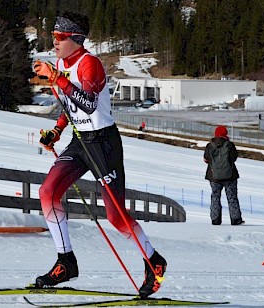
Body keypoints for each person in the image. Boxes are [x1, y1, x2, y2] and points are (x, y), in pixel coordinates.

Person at [33, 11, 166, 298]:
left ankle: (154, 261)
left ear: (76, 39)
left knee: (116, 218)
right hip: (80, 141)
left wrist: (57, 78)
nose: (53, 41)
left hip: (103, 143)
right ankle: (65, 261)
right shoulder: (60, 64)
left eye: (59, 37)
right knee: (48, 192)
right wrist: (56, 131)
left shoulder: (89, 64)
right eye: (53, 35)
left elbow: (89, 104)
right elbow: (69, 106)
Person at [203, 125, 244, 225]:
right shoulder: (229, 145)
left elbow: (206, 159)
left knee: (215, 197)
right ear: (226, 134)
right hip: (230, 176)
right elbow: (234, 158)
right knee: (232, 197)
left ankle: (215, 220)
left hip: (214, 177)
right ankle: (235, 220)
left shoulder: (210, 145)